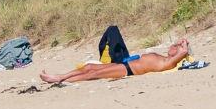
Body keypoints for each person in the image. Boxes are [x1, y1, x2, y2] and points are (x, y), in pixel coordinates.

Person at [39, 36, 192, 86]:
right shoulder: (164, 59)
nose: (172, 46)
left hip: (128, 70)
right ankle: (62, 77)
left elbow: (184, 51)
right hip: (125, 63)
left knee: (93, 73)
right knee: (91, 66)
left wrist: (183, 44)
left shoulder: (169, 62)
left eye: (175, 46)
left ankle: (59, 78)